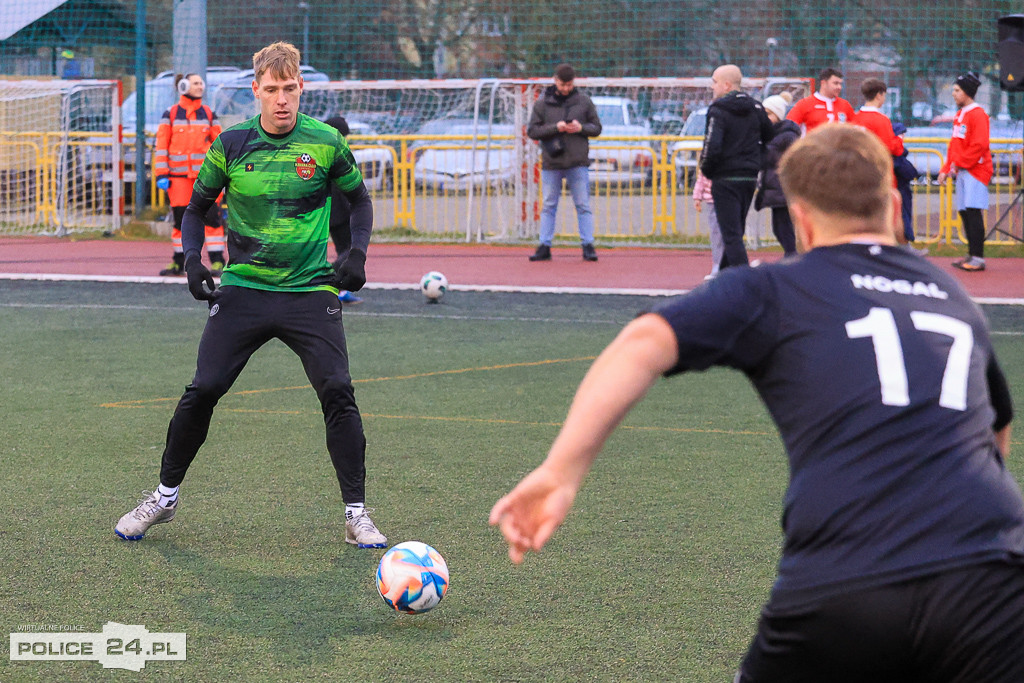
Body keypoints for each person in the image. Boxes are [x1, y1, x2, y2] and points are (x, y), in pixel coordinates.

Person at [491, 124, 1024, 682]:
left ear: (802, 221)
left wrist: (561, 471)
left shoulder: (776, 289)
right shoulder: (953, 296)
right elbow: (997, 425)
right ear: (893, 205)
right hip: (993, 572)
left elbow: (641, 343)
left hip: (849, 575)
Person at [116, 41, 387, 549]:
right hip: (244, 288)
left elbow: (360, 200)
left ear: (300, 87)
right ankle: (164, 496)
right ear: (256, 91)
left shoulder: (326, 142)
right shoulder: (231, 144)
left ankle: (357, 514)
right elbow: (196, 208)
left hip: (309, 291)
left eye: (290, 89)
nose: (281, 99)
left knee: (337, 390)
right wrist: (193, 260)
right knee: (204, 388)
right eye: (271, 90)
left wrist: (356, 254)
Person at [698, 64, 774, 270]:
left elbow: (712, 145)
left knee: (730, 236)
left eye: (714, 82)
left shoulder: (718, 110)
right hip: (748, 177)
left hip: (725, 178)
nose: (712, 87)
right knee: (735, 231)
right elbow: (770, 136)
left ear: (726, 84)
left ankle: (745, 281)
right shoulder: (756, 107)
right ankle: (724, 276)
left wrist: (706, 170)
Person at [527, 63, 602, 262]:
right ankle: (544, 245)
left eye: (569, 85)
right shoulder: (542, 103)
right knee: (549, 205)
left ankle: (588, 245)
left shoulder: (584, 101)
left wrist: (580, 128)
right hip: (552, 162)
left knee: (583, 204)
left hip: (577, 162)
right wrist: (555, 127)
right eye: (562, 84)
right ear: (555, 80)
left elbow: (596, 128)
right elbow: (532, 131)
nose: (566, 88)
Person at [156, 73, 226, 276]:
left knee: (213, 220)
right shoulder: (170, 115)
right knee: (180, 222)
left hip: (206, 179)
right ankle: (180, 262)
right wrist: (162, 174)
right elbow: (161, 146)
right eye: (196, 83)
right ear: (184, 86)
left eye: (201, 83)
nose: (200, 87)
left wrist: (222, 175)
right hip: (178, 180)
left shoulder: (209, 114)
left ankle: (217, 262)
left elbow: (220, 146)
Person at [937, 71, 991, 272]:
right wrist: (947, 167)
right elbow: (955, 145)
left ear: (967, 92)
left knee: (973, 212)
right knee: (965, 212)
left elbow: (979, 145)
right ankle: (971, 253)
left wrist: (958, 164)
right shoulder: (960, 114)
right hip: (962, 170)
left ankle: (978, 257)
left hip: (976, 171)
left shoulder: (978, 114)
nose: (953, 94)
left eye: (957, 90)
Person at [325, 115, 363, 305]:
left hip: (333, 212)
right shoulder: (332, 153)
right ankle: (328, 281)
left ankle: (341, 291)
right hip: (338, 213)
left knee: (345, 251)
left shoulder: (325, 150)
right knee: (349, 251)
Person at [755, 92, 798, 257]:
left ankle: (793, 258)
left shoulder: (787, 136)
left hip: (783, 189)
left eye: (769, 114)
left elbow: (774, 159)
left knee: (784, 229)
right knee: (779, 228)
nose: (765, 118)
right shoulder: (771, 135)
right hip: (775, 188)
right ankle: (792, 256)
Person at [786, 67, 855, 134]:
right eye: (835, 83)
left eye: (840, 84)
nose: (839, 87)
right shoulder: (805, 104)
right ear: (823, 83)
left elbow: (855, 129)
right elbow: (788, 127)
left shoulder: (845, 105)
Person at [891, 120, 923, 250]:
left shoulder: (899, 152)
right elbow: (909, 172)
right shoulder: (896, 154)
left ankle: (904, 246)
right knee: (902, 217)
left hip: (900, 189)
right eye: (900, 134)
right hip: (899, 189)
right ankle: (905, 248)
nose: (902, 137)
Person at [692, 170, 723, 280]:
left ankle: (728, 264)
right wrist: (697, 196)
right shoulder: (707, 157)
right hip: (711, 200)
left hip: (726, 195)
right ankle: (717, 264)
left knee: (729, 234)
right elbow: (702, 177)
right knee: (716, 234)